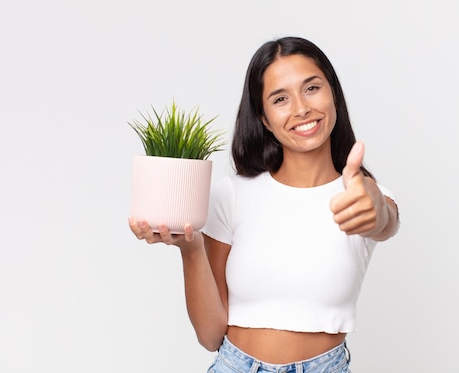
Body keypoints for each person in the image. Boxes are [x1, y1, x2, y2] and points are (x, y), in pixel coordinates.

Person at [129, 36, 399, 373]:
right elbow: (211, 335)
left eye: (312, 88)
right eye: (280, 98)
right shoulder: (231, 196)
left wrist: (375, 208)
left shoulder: (362, 196)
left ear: (333, 94)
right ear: (265, 119)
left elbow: (385, 221)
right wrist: (191, 248)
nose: (301, 108)